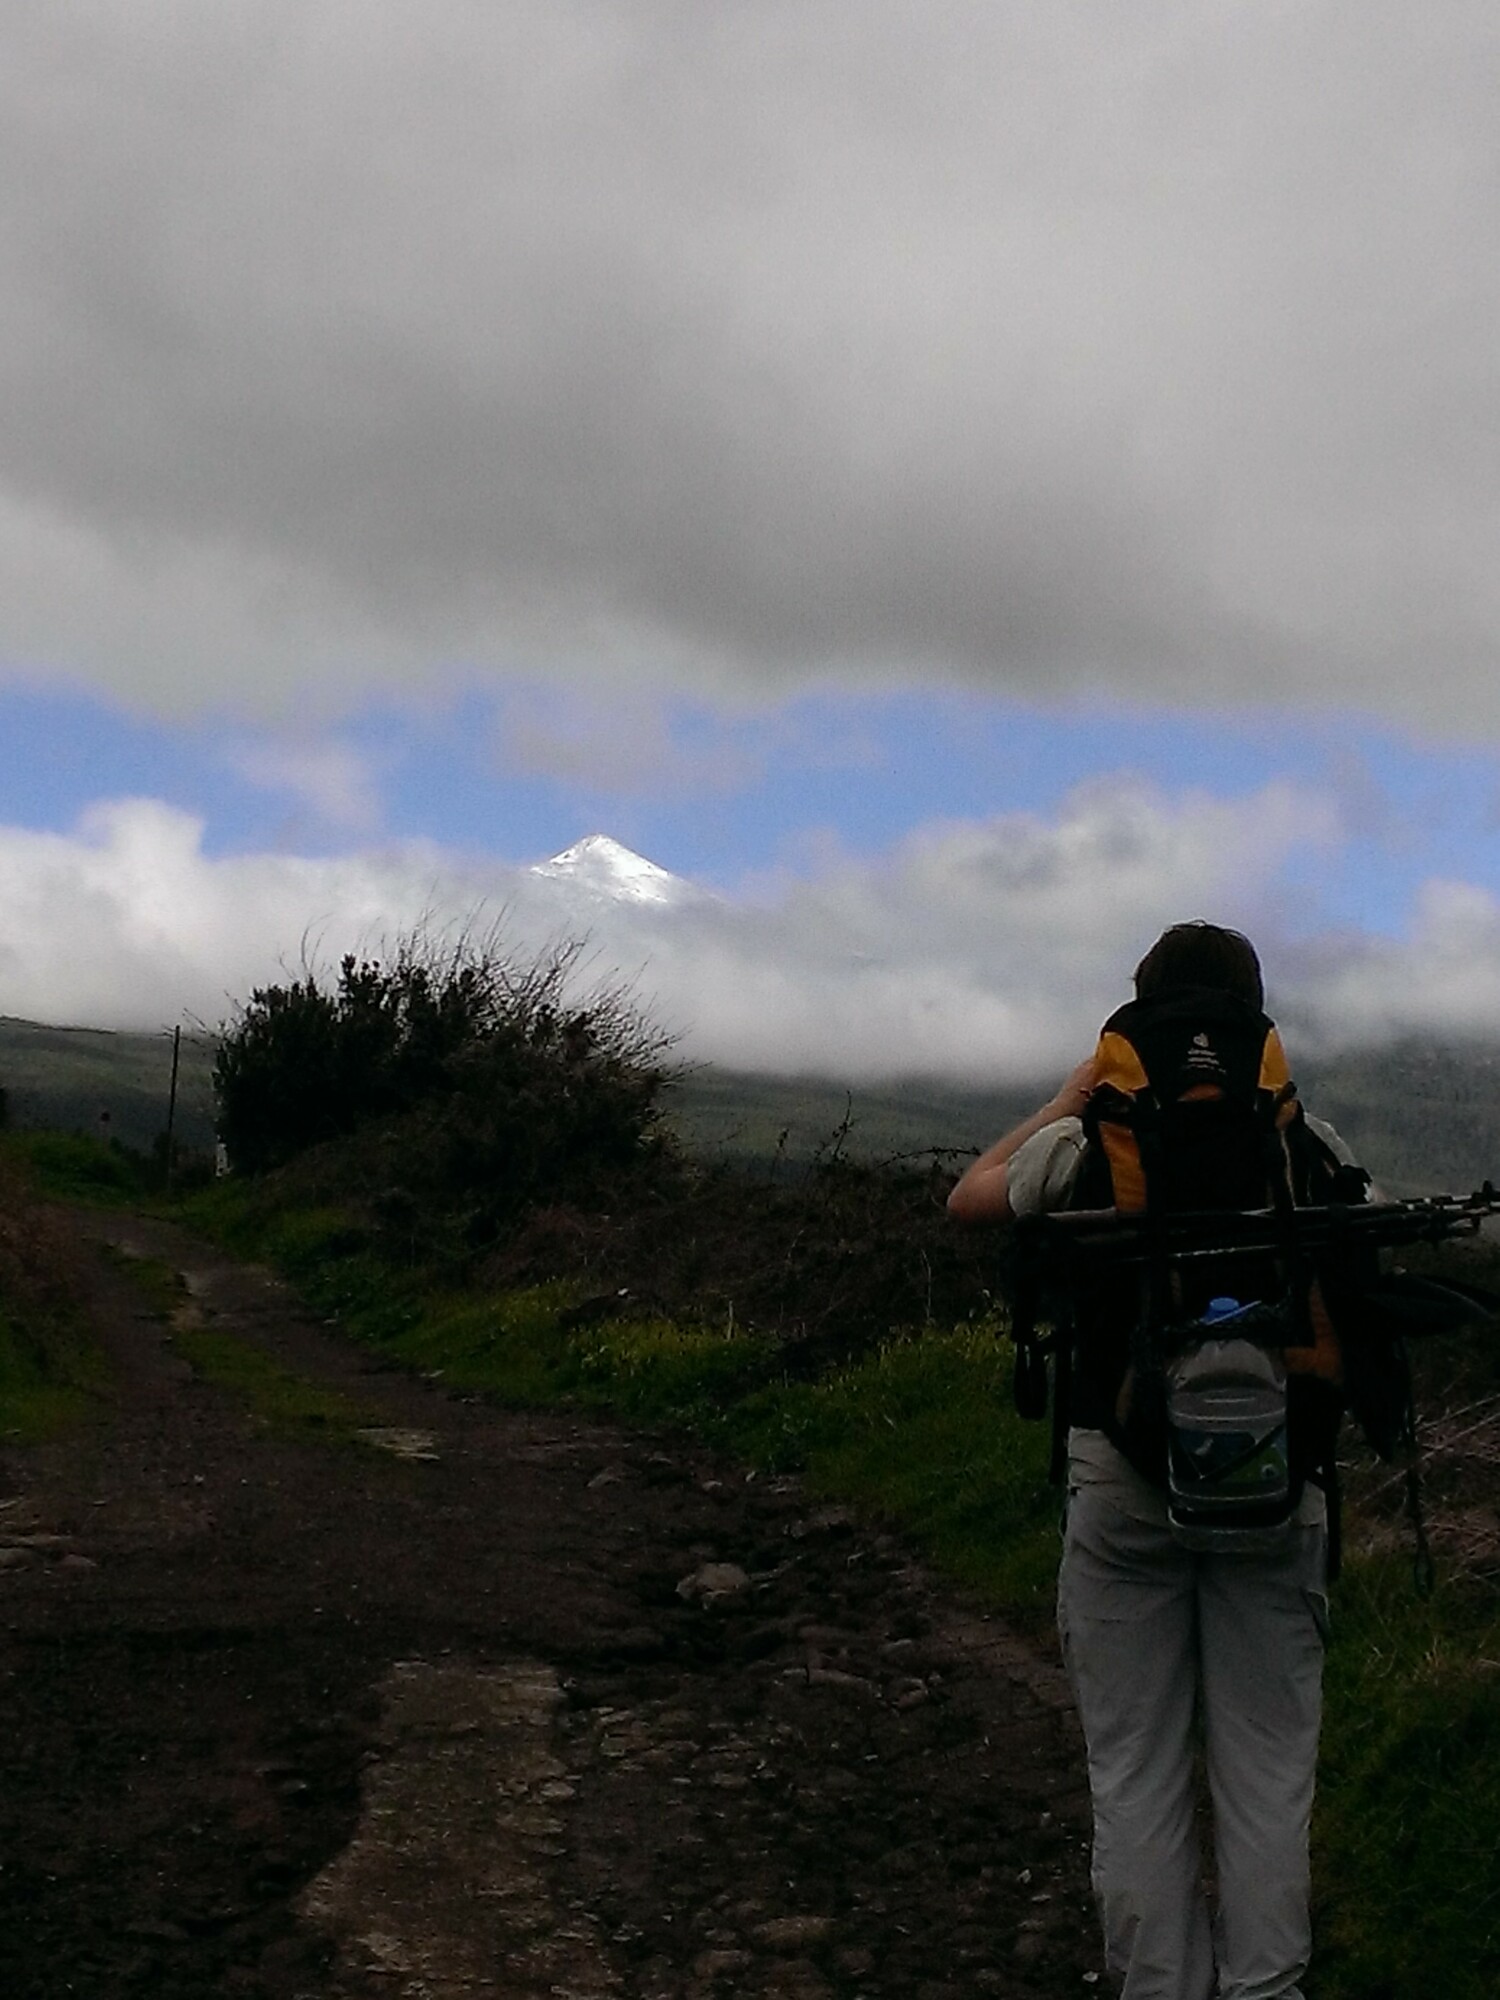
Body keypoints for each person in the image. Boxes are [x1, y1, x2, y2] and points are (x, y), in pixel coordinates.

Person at [949, 922, 1361, 2000]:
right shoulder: (1301, 1141)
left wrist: (1079, 1090)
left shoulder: (1095, 1142)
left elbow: (967, 1197)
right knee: (1268, 1782)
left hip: (1122, 1483)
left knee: (1134, 1777)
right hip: (1278, 1493)